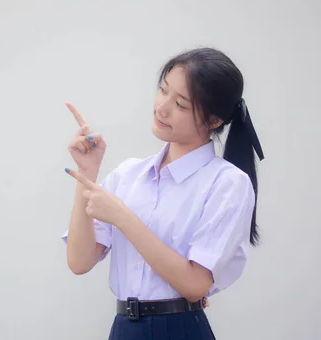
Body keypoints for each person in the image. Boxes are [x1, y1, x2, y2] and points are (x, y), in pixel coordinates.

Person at [60, 47, 265, 339]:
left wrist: (123, 217)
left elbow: (195, 284)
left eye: (181, 104)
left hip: (179, 328)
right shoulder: (128, 175)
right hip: (123, 328)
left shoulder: (227, 183)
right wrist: (87, 174)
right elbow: (79, 262)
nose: (162, 107)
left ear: (214, 120)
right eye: (162, 90)